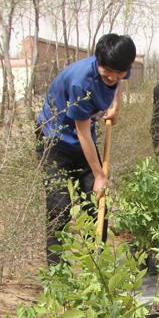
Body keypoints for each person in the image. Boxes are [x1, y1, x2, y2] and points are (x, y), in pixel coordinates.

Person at [37, 34, 136, 265]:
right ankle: (58, 274)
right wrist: (99, 175)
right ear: (98, 61)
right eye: (107, 72)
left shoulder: (118, 67)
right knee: (59, 206)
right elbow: (81, 133)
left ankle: (97, 266)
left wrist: (116, 107)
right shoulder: (81, 81)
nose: (112, 77)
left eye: (119, 72)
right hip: (54, 142)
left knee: (98, 204)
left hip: (83, 142)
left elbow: (118, 81)